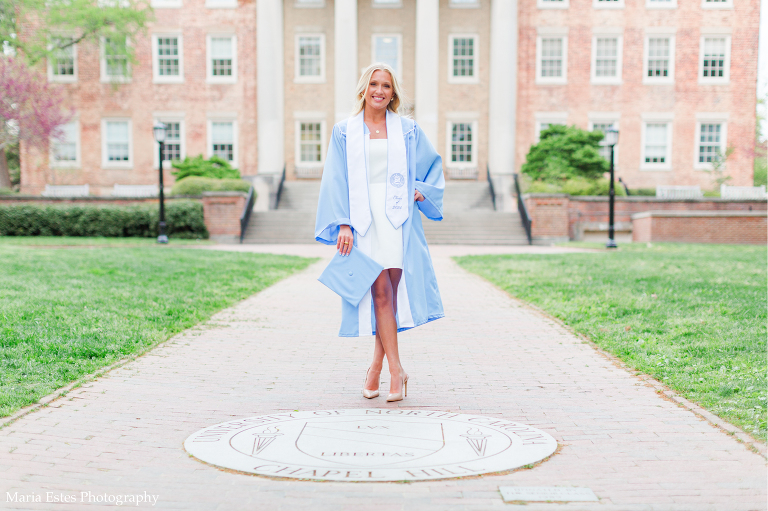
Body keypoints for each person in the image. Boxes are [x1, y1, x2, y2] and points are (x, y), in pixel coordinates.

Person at [314, 62, 445, 402]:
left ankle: (376, 368)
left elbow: (431, 164)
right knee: (381, 295)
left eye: (386, 86)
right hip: (362, 220)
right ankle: (395, 371)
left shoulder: (407, 130)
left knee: (388, 297)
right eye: (374, 84)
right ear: (363, 89)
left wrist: (423, 189)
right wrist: (343, 222)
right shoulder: (345, 131)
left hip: (398, 221)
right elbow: (336, 178)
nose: (379, 91)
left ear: (393, 93)